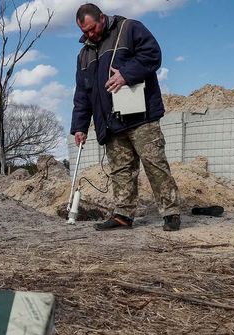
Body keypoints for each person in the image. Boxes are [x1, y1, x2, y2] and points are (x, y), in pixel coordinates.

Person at [71, 3, 181, 231]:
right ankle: (123, 215)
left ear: (102, 18)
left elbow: (152, 54)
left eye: (92, 29)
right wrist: (79, 126)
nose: (90, 34)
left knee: (154, 164)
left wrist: (126, 74)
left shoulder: (129, 29)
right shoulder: (84, 55)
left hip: (141, 115)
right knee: (121, 170)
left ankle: (171, 213)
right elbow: (82, 94)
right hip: (110, 121)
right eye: (85, 32)